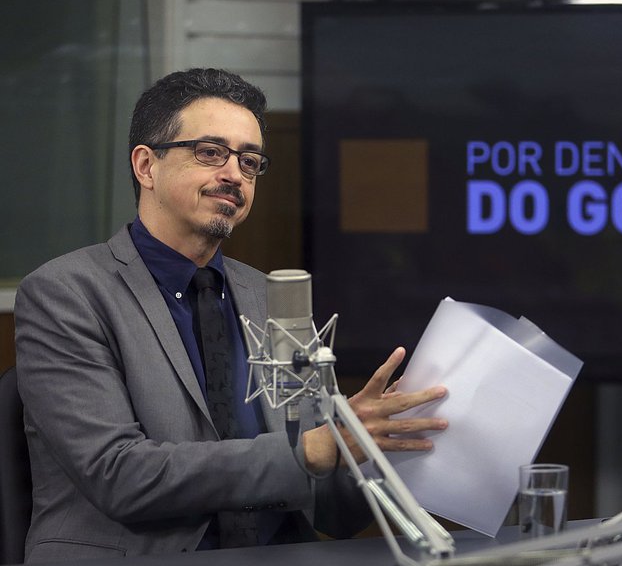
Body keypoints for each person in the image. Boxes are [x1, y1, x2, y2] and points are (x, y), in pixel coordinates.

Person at [14, 68, 448, 562]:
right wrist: (318, 448)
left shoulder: (272, 297)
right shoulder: (66, 293)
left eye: (249, 161)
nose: (234, 174)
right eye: (210, 152)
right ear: (146, 166)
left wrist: (379, 446)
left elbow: (331, 511)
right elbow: (119, 475)